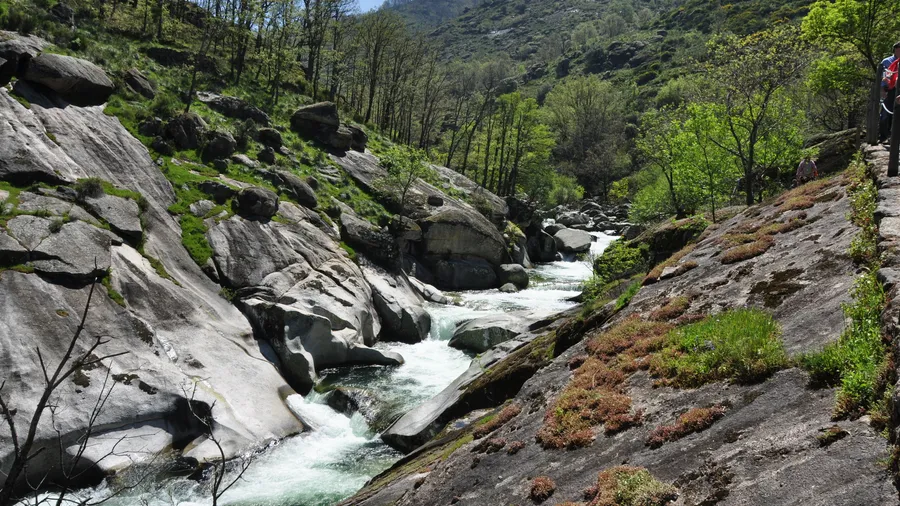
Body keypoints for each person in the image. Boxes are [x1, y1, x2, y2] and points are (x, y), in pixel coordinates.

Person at [880, 42, 900, 143]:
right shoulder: (887, 61)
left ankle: (895, 137)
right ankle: (884, 136)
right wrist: (883, 89)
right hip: (890, 90)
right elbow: (883, 77)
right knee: (886, 113)